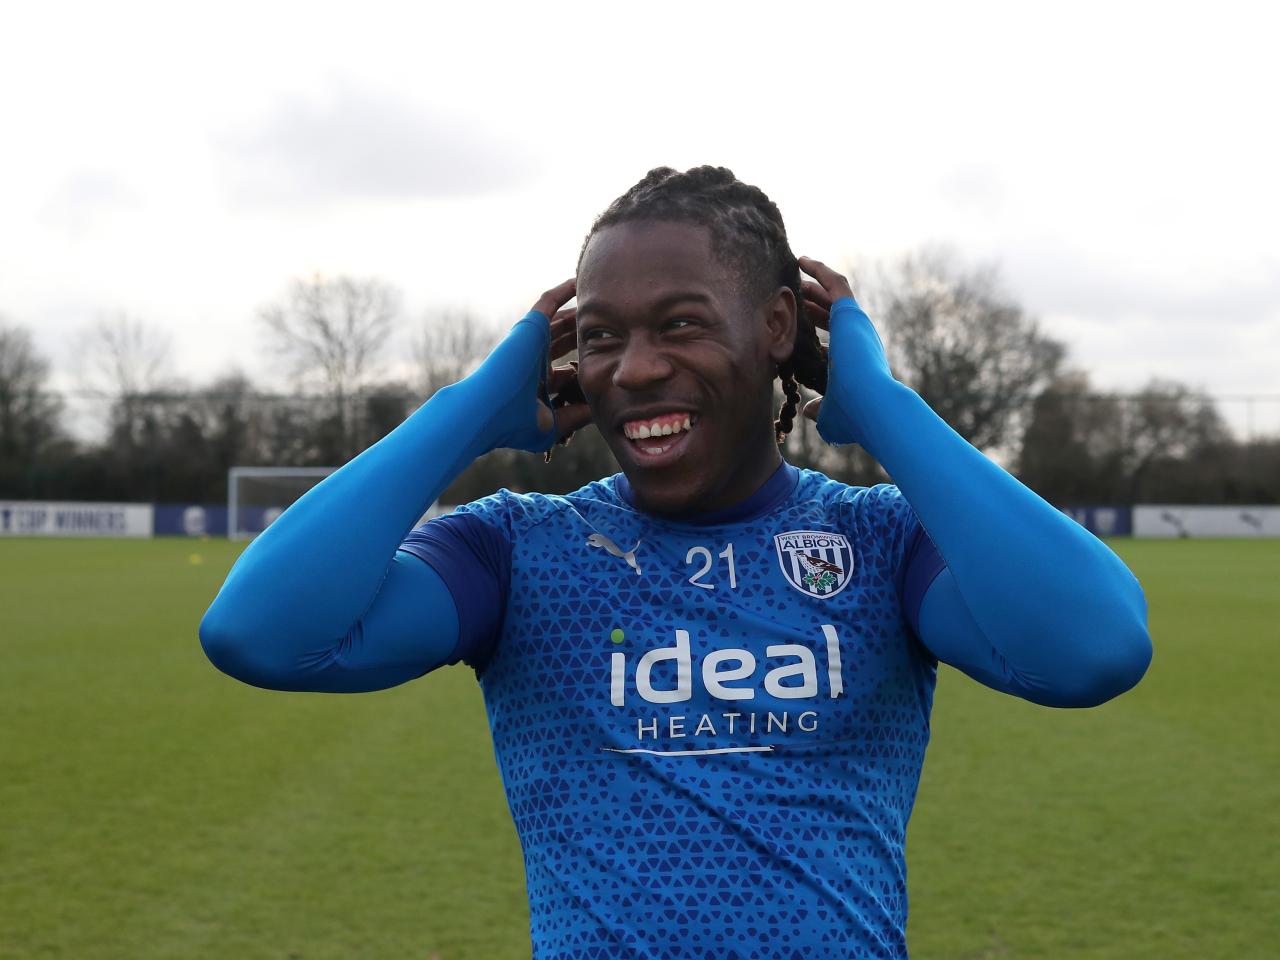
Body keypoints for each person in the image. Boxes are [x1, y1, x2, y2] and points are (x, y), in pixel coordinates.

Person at [200, 166, 1152, 958]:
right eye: (602, 336)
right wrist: (469, 414)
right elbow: (260, 634)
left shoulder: (880, 544)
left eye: (682, 323)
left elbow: (1094, 649)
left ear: (778, 328)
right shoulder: (519, 550)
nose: (636, 367)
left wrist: (885, 412)